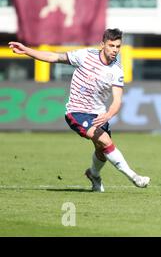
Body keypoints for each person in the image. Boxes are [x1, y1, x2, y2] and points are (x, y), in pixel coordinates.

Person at [8, 28, 150, 192]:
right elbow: (54, 57)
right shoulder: (85, 55)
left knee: (101, 150)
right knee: (105, 141)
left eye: (118, 46)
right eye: (111, 46)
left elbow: (117, 100)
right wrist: (27, 50)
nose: (115, 50)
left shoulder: (116, 69)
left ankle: (93, 174)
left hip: (98, 114)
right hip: (77, 111)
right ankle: (134, 177)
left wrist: (108, 114)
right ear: (102, 44)